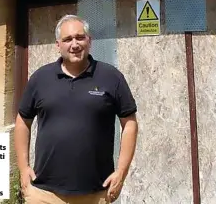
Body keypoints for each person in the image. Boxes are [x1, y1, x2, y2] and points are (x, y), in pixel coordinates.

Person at [14, 14, 138, 204]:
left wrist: (121, 172)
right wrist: (23, 169)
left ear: (89, 41)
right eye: (67, 39)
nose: (74, 44)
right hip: (43, 194)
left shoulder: (111, 77)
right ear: (58, 45)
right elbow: (23, 121)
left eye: (80, 37)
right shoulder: (40, 78)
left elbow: (129, 123)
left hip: (96, 194)